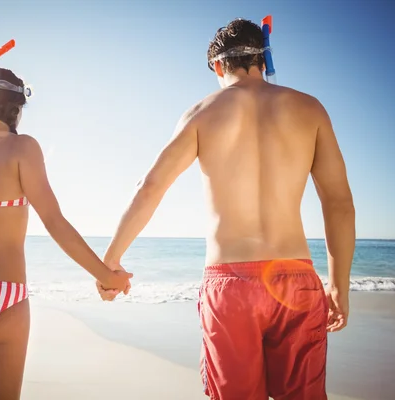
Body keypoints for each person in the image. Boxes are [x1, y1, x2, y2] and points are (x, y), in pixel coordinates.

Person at [97, 18, 355, 400]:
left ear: (218, 66)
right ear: (264, 60)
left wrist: (110, 263)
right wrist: (339, 286)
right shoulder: (310, 109)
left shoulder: (202, 112)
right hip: (297, 280)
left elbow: (150, 188)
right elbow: (339, 204)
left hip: (230, 285)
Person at [0, 66, 132, 400]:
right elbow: (54, 223)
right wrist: (107, 276)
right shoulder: (23, 149)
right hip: (2, 298)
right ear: (17, 109)